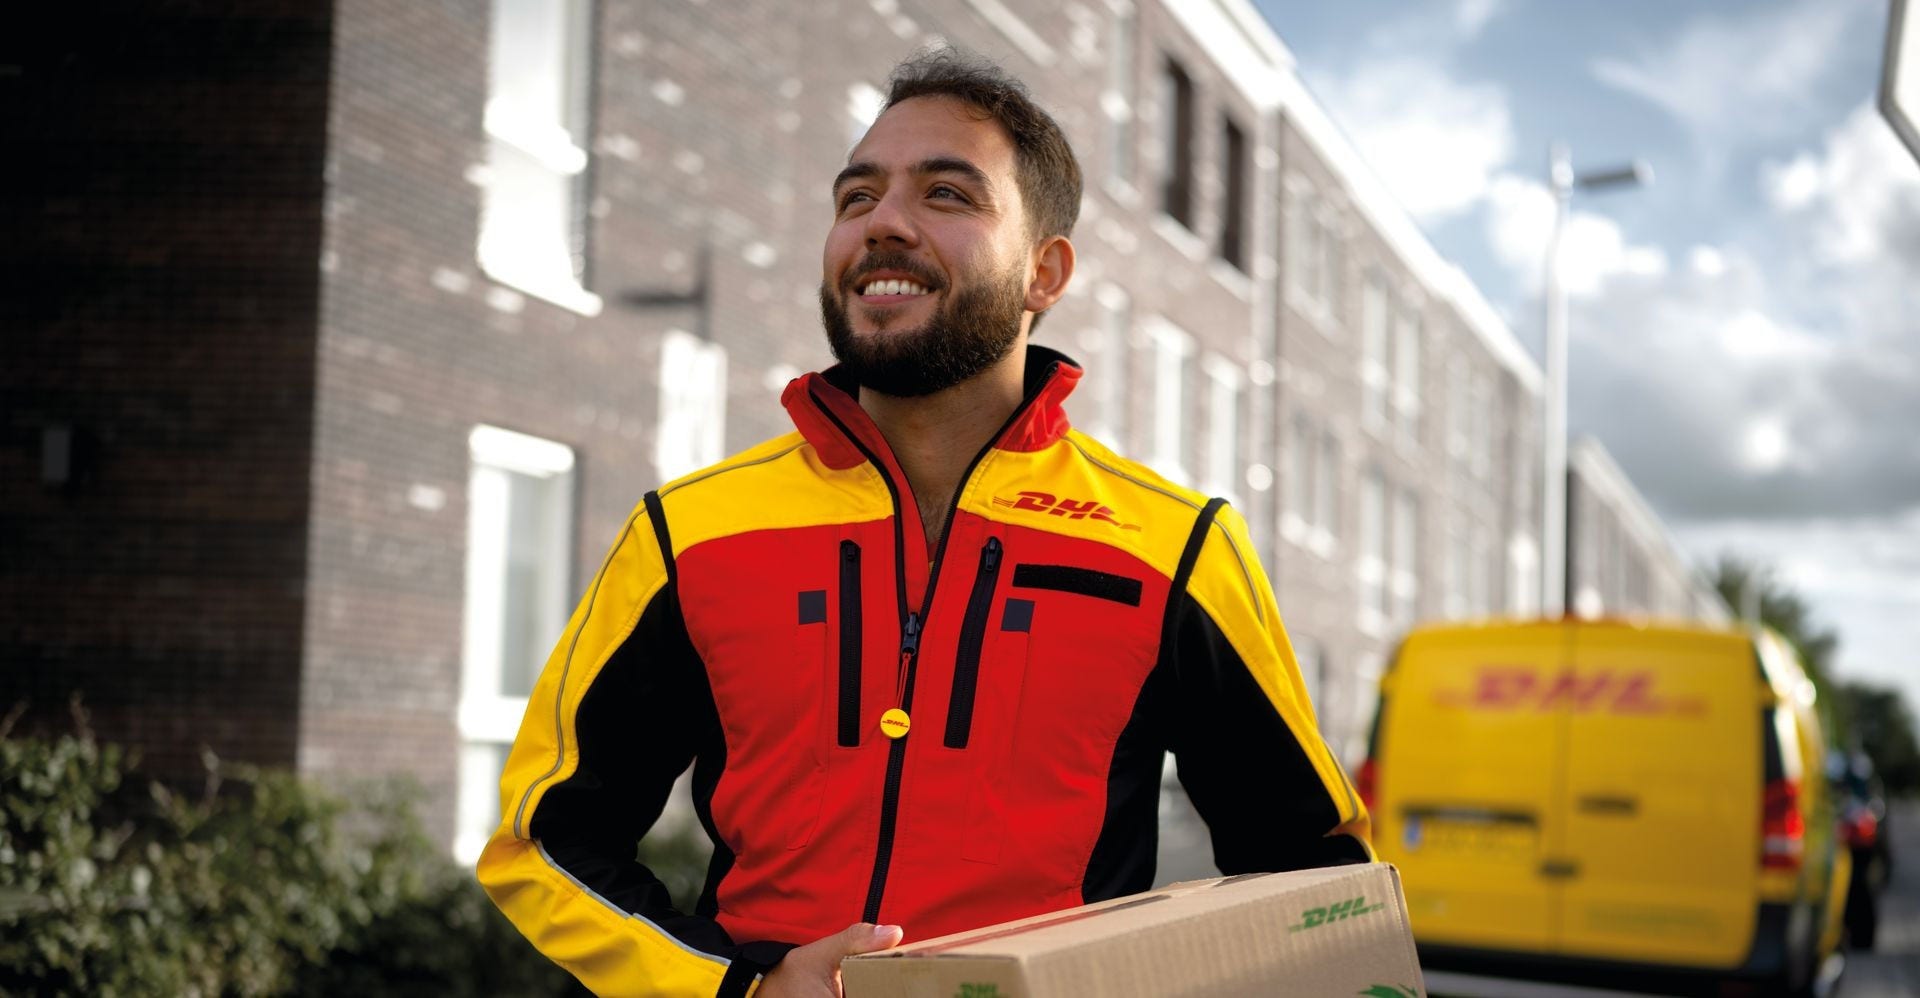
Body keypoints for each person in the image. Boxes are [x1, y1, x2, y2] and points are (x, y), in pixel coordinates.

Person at [477, 49, 1372, 998]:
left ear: (1045, 272)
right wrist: (737, 989)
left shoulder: (1179, 547)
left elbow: (1315, 884)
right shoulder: (687, 532)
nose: (885, 224)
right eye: (856, 198)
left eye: (947, 195)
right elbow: (543, 844)